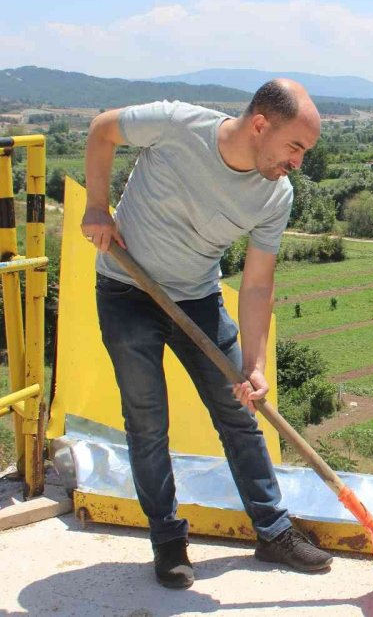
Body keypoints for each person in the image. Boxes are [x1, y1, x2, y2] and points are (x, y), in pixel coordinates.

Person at [81, 79, 333, 589]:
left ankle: (273, 531)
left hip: (198, 299)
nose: (298, 162)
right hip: (128, 290)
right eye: (295, 147)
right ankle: (169, 542)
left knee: (241, 413)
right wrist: (96, 207)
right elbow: (101, 129)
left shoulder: (275, 195)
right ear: (261, 124)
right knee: (148, 422)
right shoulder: (177, 125)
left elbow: (259, 285)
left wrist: (256, 365)